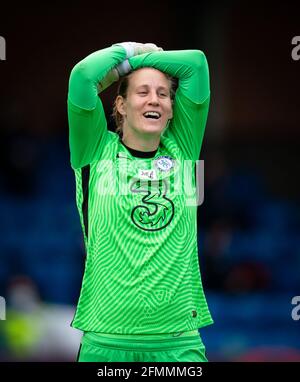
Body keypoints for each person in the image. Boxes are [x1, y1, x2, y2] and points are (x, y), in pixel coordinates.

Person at [67, 42, 213, 362]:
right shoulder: (94, 149)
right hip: (106, 339)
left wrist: (140, 60)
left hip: (178, 341)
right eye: (142, 91)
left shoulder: (183, 148)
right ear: (120, 104)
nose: (154, 100)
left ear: (173, 108)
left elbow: (196, 64)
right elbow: (82, 77)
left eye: (163, 94)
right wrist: (128, 53)